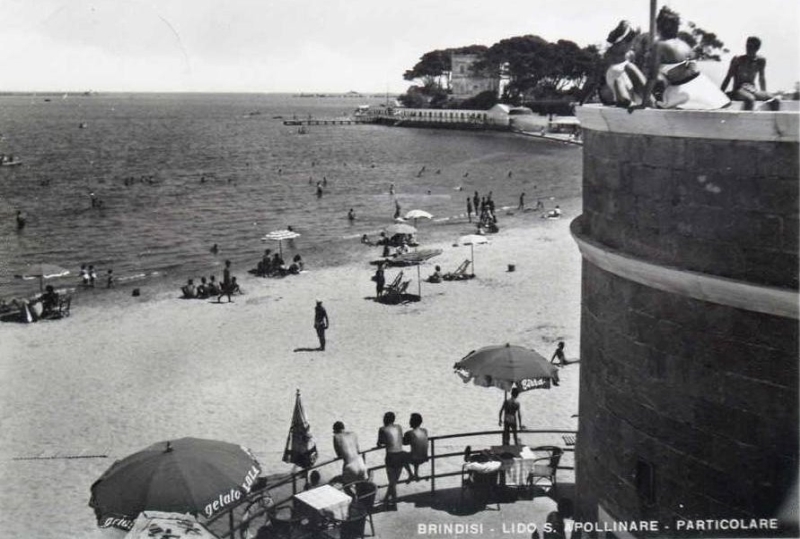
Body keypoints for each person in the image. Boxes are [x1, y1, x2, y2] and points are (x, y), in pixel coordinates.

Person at [639, 6, 730, 110]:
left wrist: (643, 103)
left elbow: (652, 77)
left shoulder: (659, 46)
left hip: (683, 92)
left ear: (659, 26)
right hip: (703, 88)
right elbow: (690, 68)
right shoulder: (684, 45)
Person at [721, 36, 776, 110]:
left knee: (774, 100)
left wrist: (764, 94)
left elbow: (761, 78)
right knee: (750, 99)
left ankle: (773, 120)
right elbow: (728, 77)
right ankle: (745, 121)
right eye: (747, 45)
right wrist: (720, 93)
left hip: (752, 89)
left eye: (751, 46)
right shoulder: (738, 59)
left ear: (757, 48)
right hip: (738, 90)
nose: (748, 48)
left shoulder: (760, 61)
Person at [603, 20, 647, 107]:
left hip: (635, 96)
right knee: (619, 79)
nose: (633, 45)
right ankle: (627, 101)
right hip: (619, 96)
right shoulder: (606, 59)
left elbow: (638, 82)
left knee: (629, 68)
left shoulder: (630, 55)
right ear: (623, 42)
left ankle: (636, 102)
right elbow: (592, 82)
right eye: (632, 42)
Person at [377, 412, 412, 508]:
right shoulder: (399, 427)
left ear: (385, 419)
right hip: (400, 455)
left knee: (392, 482)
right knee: (393, 482)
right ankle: (386, 500)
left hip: (391, 457)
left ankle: (394, 503)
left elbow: (380, 442)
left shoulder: (382, 429)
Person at [403, 413, 429, 481]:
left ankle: (410, 474)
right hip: (424, 457)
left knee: (401, 455)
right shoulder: (425, 431)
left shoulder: (409, 433)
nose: (409, 422)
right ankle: (416, 474)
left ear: (412, 422)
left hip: (415, 458)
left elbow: (404, 443)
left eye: (410, 420)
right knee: (415, 450)